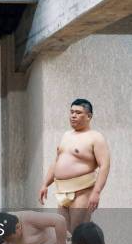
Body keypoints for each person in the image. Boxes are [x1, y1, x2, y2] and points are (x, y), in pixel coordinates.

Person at [38, 99, 110, 232]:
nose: (73, 115)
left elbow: (104, 166)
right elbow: (57, 161)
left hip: (83, 192)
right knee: (63, 233)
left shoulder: (95, 137)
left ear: (89, 116)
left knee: (78, 232)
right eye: (71, 112)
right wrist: (45, 184)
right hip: (62, 192)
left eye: (78, 112)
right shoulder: (66, 135)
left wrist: (97, 192)